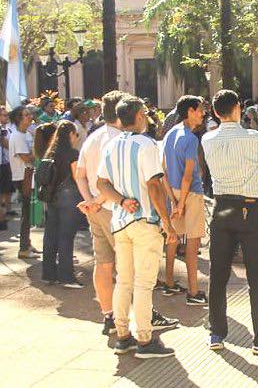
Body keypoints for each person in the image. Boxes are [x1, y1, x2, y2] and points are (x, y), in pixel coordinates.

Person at [201, 89, 258, 354]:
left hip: (222, 206)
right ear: (238, 108)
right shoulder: (252, 136)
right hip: (249, 207)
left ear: (215, 111)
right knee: (257, 275)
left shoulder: (207, 139)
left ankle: (217, 333)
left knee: (218, 273)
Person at [95, 95, 177, 358]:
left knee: (125, 281)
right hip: (145, 222)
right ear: (139, 116)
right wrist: (167, 221)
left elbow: (101, 183)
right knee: (143, 283)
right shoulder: (146, 144)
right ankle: (145, 339)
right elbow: (154, 185)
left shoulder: (111, 146)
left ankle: (122, 335)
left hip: (121, 221)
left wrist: (120, 201)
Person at [76, 90, 126, 334]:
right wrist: (96, 201)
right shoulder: (119, 140)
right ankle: (129, 317)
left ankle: (109, 315)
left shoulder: (92, 138)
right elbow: (112, 181)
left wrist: (89, 201)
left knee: (103, 264)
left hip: (96, 210)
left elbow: (81, 174)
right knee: (128, 267)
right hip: (114, 210)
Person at [161, 95, 209, 306]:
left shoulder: (170, 134)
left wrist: (173, 199)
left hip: (174, 191)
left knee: (172, 239)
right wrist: (181, 204)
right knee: (192, 242)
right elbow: (189, 174)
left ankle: (169, 282)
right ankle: (193, 291)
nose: (203, 113)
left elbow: (163, 170)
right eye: (199, 109)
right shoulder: (190, 138)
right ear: (190, 111)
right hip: (190, 193)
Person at [40, 120, 85, 288]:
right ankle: (66, 276)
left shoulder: (50, 153)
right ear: (71, 135)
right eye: (76, 134)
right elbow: (77, 177)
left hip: (51, 197)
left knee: (50, 235)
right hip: (68, 196)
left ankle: (48, 273)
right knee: (66, 236)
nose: (77, 138)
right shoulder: (72, 154)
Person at [9, 106, 38, 259]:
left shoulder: (26, 134)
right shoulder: (17, 136)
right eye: (26, 115)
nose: (30, 117)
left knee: (28, 212)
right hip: (22, 176)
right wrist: (36, 151)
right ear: (18, 118)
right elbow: (27, 158)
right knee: (26, 214)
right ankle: (23, 248)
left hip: (28, 175)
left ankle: (27, 242)